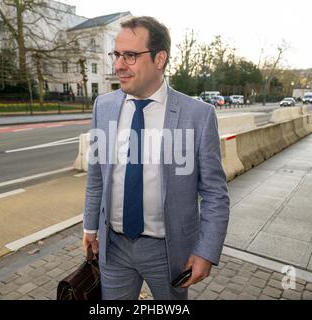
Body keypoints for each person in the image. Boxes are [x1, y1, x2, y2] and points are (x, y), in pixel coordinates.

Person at [82, 16, 230, 300]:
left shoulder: (198, 116)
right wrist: (90, 227)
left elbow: (214, 193)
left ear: (159, 59)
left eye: (130, 56)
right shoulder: (104, 106)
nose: (118, 65)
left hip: (169, 252)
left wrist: (206, 251)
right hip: (114, 248)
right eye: (116, 55)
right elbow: (97, 176)